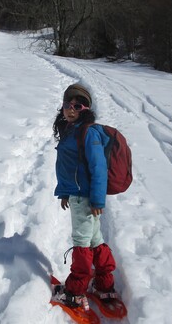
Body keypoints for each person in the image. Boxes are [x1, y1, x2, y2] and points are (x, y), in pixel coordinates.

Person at [52, 83, 118, 310]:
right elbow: (68, 167)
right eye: (67, 105)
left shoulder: (88, 132)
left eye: (77, 106)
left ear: (86, 109)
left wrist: (98, 199)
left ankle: (75, 292)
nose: (70, 109)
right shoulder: (72, 130)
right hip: (78, 195)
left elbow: (98, 168)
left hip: (85, 199)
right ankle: (104, 286)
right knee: (94, 241)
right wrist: (64, 193)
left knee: (81, 244)